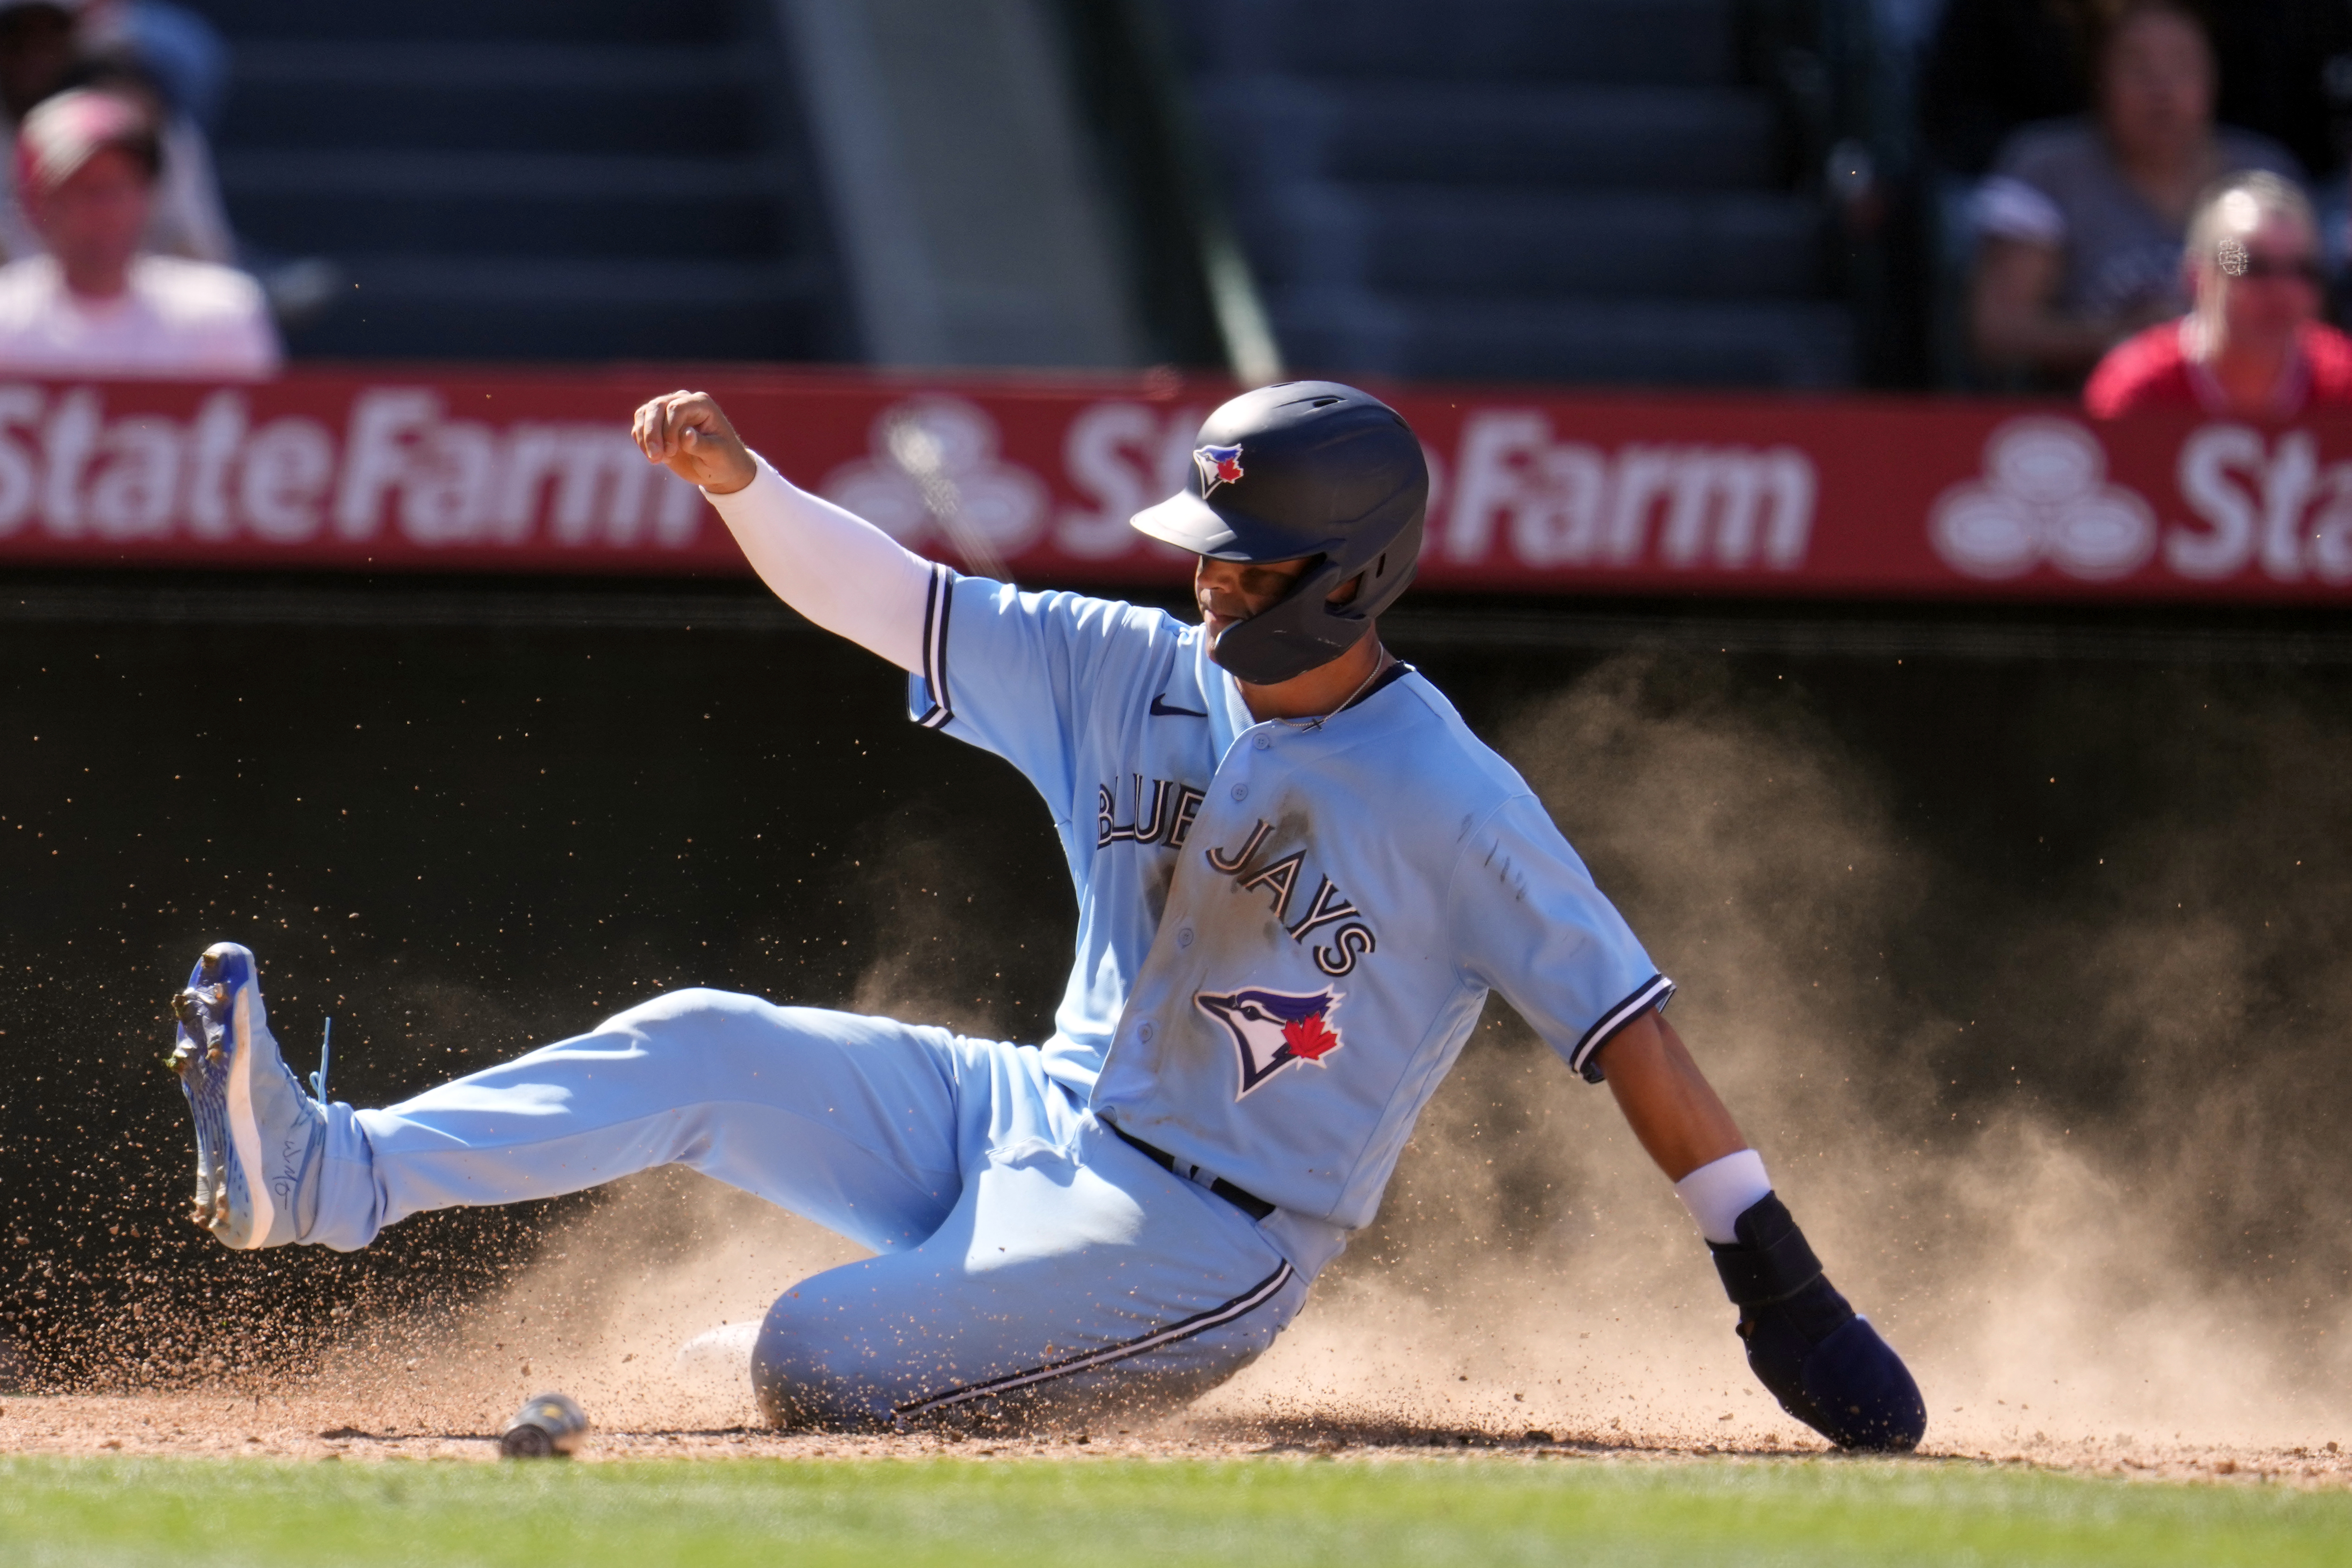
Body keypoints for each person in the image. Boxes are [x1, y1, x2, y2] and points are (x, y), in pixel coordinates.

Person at [164, 382, 1927, 1448]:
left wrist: (1780, 1287)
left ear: (1353, 575)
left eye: (1246, 561)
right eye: (1204, 547)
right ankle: (322, 1171)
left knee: (809, 1356)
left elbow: (1630, 1032)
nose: (1205, 577)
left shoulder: (1454, 799)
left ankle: (861, 1329)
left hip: (1203, 1233)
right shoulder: (1126, 663)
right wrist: (741, 489)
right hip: (1029, 1107)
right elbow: (893, 597)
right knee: (702, 1032)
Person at [1969, 0, 2302, 383]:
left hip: (2245, 421)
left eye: (2181, 65)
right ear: (2097, 76)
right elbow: (1997, 330)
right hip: (2089, 423)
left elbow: (2307, 324)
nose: (2161, 88)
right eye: (2137, 66)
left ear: (2215, 78)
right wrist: (2130, 339)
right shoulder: (2047, 171)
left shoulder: (2258, 181)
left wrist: (2216, 328)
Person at [0, 85, 277, 376]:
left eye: (121, 187)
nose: (106, 209)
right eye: (85, 190)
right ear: (37, 202)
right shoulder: (6, 317)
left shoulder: (225, 312)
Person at [2086, 172, 2352, 418]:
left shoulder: (2344, 384)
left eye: (2302, 270)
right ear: (2197, 276)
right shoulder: (2140, 386)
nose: (2282, 289)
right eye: (2251, 266)